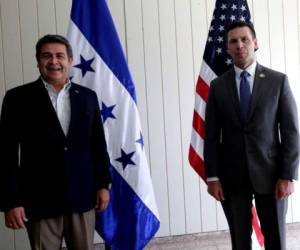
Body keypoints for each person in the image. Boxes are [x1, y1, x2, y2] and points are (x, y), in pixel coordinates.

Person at [0, 34, 112, 250]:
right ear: (38, 61)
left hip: (82, 197)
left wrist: (102, 184)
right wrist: (11, 202)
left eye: (60, 55)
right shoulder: (17, 99)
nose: (53, 61)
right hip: (39, 200)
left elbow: (98, 146)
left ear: (69, 61)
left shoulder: (87, 97)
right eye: (46, 56)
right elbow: (6, 155)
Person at [204, 21, 299, 250]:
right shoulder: (217, 86)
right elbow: (211, 136)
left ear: (255, 43)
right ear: (227, 48)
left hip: (272, 176)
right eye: (233, 41)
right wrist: (213, 177)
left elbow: (291, 132)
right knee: (240, 241)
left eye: (244, 39)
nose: (239, 45)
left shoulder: (278, 82)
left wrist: (288, 175)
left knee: (275, 239)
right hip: (232, 179)